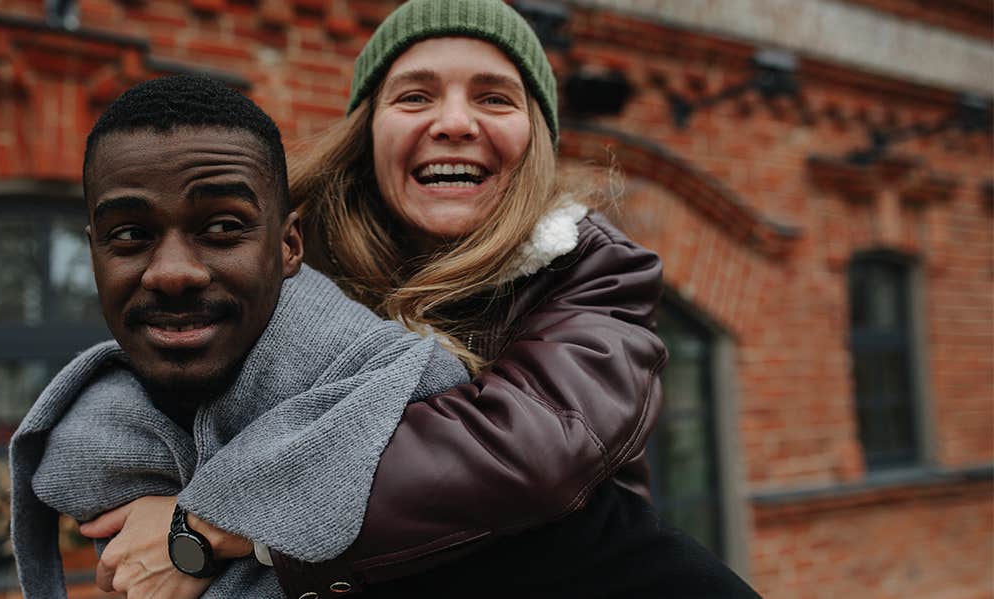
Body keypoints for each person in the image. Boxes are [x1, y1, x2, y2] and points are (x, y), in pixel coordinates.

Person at [86, 0, 760, 597]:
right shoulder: (283, 263)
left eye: (495, 98)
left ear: (536, 142)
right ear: (367, 131)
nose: (455, 122)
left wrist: (212, 521)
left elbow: (525, 449)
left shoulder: (594, 267)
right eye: (414, 97)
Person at [9, 75, 470, 599]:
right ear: (95, 254)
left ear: (289, 245)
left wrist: (200, 532)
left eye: (223, 226)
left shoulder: (413, 399)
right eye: (131, 235)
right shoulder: (92, 445)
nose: (172, 273)